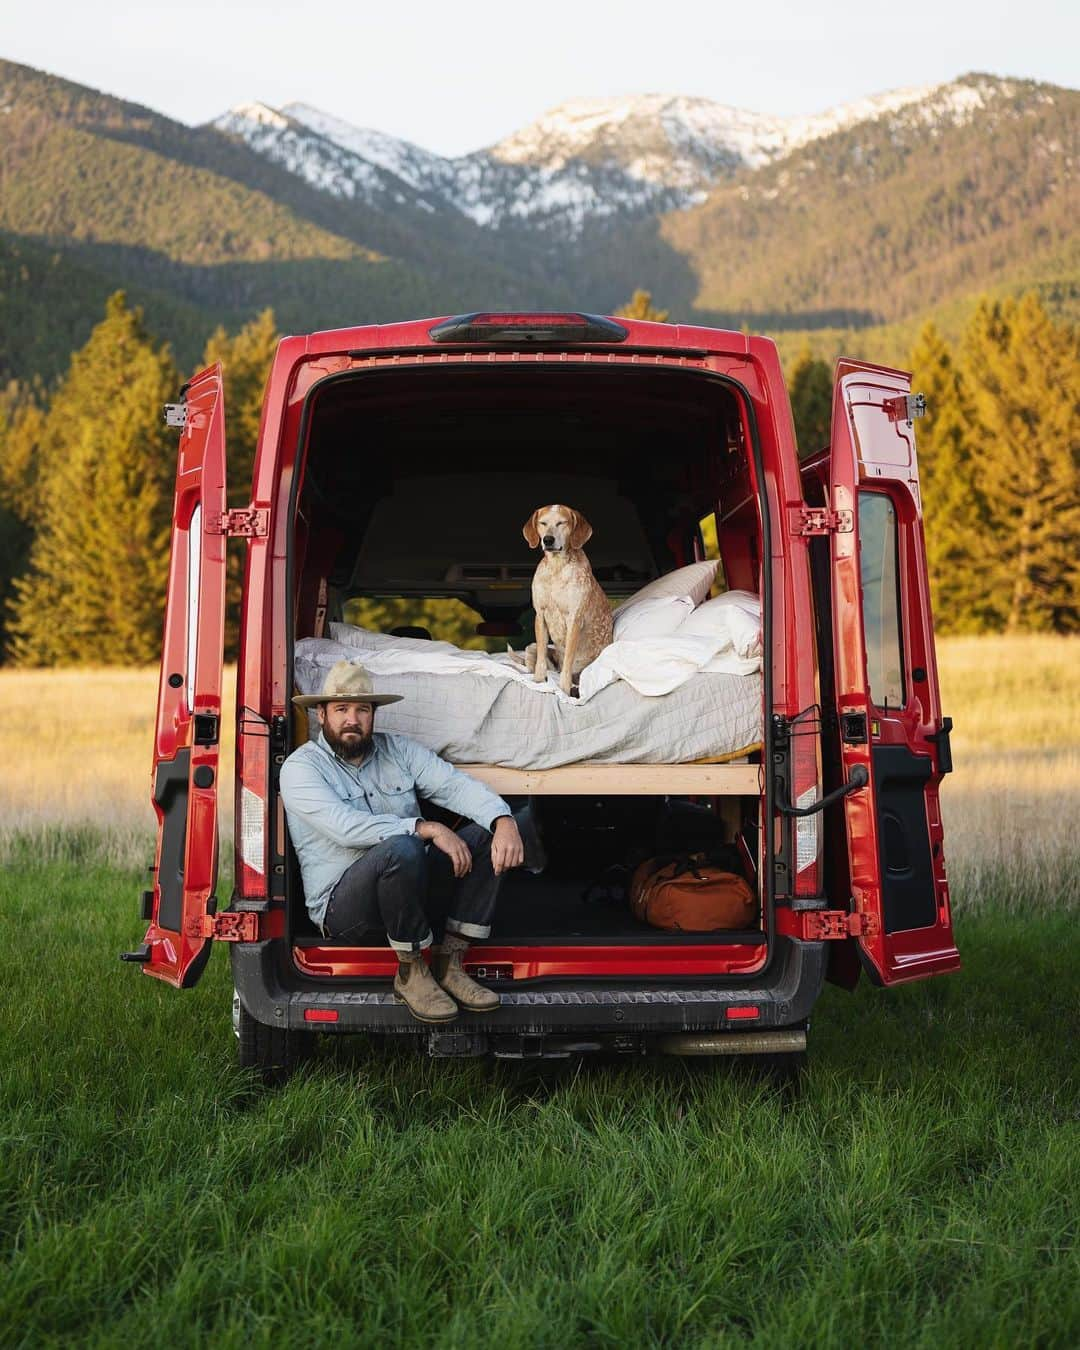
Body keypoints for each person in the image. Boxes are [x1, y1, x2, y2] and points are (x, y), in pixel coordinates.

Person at [280, 660, 535, 1024]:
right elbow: (346, 828)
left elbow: (453, 785)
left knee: (484, 834)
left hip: (408, 894)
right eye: (341, 709)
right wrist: (425, 827)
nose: (352, 719)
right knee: (402, 845)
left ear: (374, 715)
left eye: (362, 710)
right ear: (321, 714)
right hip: (345, 909)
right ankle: (412, 971)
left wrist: (502, 818)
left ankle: (451, 963)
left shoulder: (397, 750)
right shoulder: (301, 767)